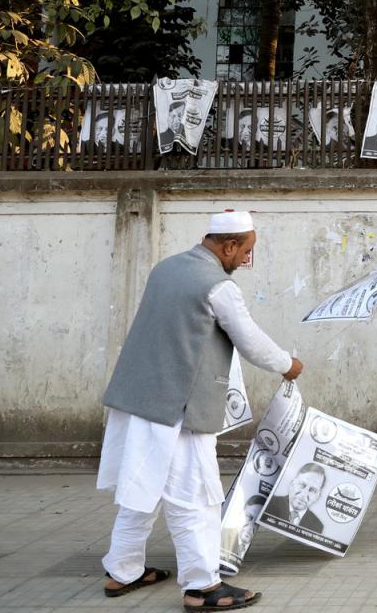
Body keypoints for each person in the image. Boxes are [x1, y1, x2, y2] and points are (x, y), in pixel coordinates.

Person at [97, 211, 303, 611]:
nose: (246, 259)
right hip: (177, 408)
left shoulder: (166, 268)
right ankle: (202, 587)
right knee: (195, 495)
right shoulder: (218, 286)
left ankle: (121, 572)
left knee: (141, 490)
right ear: (228, 246)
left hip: (136, 397)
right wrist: (288, 365)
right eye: (246, 251)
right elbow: (251, 342)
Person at [263, 463, 327, 534]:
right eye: (301, 485)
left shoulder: (317, 526)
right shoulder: (268, 503)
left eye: (313, 490)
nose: (304, 494)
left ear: (317, 496)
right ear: (291, 484)